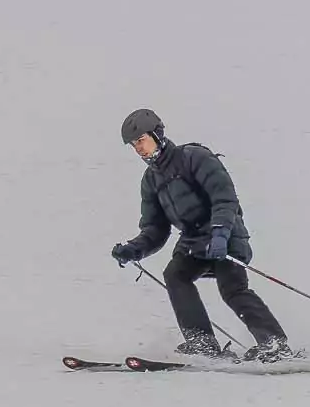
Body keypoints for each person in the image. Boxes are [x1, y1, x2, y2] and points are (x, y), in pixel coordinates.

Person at [111, 108, 293, 360]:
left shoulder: (194, 157)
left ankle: (275, 344)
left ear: (157, 134)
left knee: (232, 289)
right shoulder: (151, 180)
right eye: (134, 145)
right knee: (175, 275)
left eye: (141, 141)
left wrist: (220, 233)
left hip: (226, 235)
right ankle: (202, 343)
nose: (138, 149)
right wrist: (134, 248)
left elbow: (225, 198)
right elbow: (156, 228)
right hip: (193, 243)